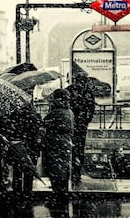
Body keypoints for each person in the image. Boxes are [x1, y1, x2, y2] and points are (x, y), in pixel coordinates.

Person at [42, 88, 74, 218]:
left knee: (55, 172)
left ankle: (57, 198)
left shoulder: (56, 113)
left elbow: (45, 122)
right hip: (65, 144)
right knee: (63, 171)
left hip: (55, 144)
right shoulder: (69, 112)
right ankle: (62, 196)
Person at [66, 72, 96, 187]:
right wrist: (85, 120)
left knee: (70, 149)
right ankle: (76, 173)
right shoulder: (88, 92)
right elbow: (91, 109)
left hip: (70, 125)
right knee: (79, 149)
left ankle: (69, 172)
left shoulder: (69, 90)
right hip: (81, 126)